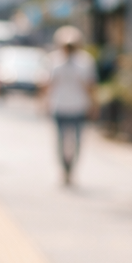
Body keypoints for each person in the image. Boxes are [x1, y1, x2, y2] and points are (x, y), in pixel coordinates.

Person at [42, 26, 97, 186]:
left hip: (78, 106)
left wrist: (93, 104)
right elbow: (48, 84)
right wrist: (44, 101)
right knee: (60, 140)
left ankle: (71, 168)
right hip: (59, 105)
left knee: (77, 141)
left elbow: (90, 85)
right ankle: (64, 169)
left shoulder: (85, 62)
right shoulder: (54, 60)